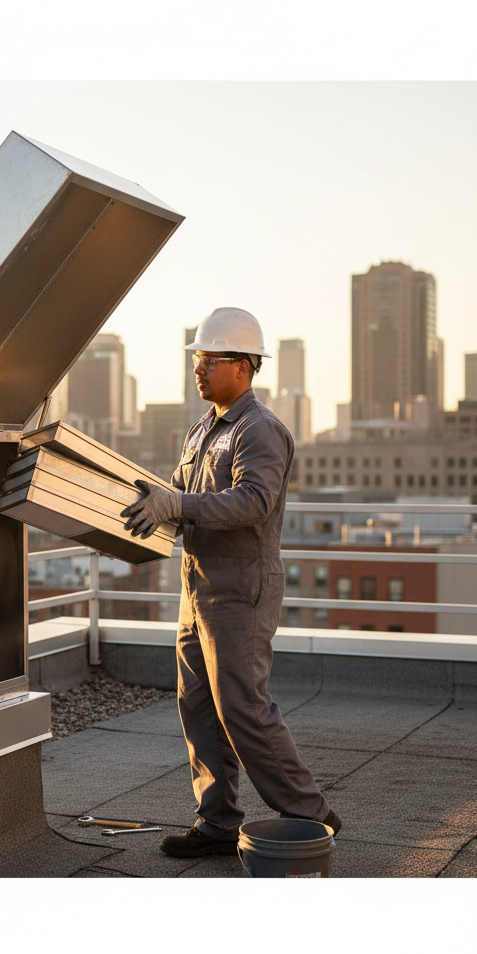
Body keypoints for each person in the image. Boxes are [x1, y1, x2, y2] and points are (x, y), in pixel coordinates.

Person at [121, 307, 340, 858]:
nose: (198, 369)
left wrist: (178, 502)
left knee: (242, 706)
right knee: (197, 705)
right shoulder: (202, 429)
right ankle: (217, 823)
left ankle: (311, 814)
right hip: (197, 587)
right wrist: (153, 500)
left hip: (241, 589)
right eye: (197, 360)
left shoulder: (259, 430)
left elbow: (254, 501)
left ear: (244, 366)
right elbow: (178, 492)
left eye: (210, 360)